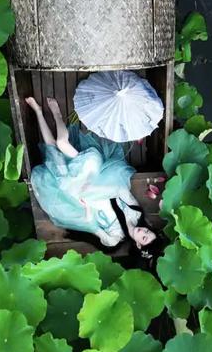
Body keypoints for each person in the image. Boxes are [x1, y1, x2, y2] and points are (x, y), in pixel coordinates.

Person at [25, 95, 156, 249]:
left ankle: (38, 112)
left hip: (78, 193)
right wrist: (95, 188)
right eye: (147, 231)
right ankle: (57, 114)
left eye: (144, 237)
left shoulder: (114, 238)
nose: (143, 231)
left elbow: (91, 224)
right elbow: (120, 188)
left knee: (53, 149)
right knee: (62, 143)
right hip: (94, 177)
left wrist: (86, 205)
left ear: (139, 245)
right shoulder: (136, 213)